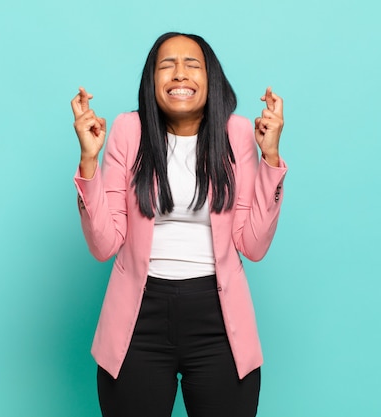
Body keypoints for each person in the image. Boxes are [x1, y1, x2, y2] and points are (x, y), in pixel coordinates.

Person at [70, 32, 287, 417]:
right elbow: (104, 244)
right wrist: (89, 161)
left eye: (193, 65)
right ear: (151, 80)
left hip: (219, 320)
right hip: (138, 319)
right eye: (166, 66)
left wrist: (270, 158)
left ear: (211, 79)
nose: (180, 75)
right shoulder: (128, 130)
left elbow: (252, 245)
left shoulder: (236, 134)